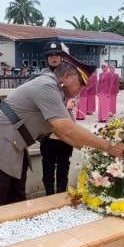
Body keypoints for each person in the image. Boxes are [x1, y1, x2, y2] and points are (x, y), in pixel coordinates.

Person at [0, 53, 124, 210]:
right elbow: (67, 127)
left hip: (12, 142)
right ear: (66, 76)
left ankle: (12, 232)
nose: (81, 89)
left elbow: (64, 134)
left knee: (15, 199)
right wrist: (108, 146)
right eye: (80, 84)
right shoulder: (47, 86)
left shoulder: (55, 91)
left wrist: (96, 153)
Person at [38, 41, 77, 195]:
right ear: (47, 57)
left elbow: (77, 91)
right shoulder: (41, 76)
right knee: (47, 162)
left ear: (61, 56)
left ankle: (61, 194)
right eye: (50, 55)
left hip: (66, 124)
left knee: (63, 162)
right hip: (47, 126)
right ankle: (48, 195)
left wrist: (73, 99)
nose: (54, 58)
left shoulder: (70, 74)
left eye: (57, 55)